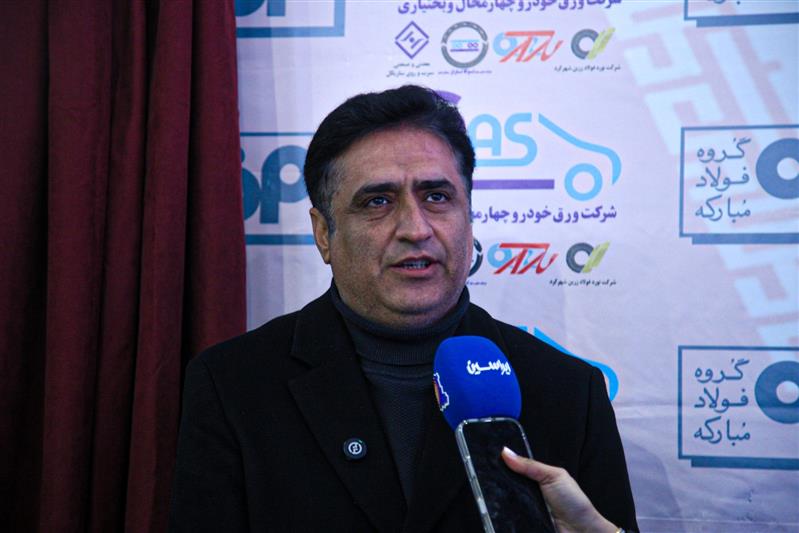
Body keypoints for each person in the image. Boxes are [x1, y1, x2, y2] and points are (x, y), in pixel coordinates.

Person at [170, 85, 638, 532]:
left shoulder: (568, 392)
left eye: (437, 197)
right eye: (378, 201)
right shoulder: (232, 385)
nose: (415, 228)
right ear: (323, 233)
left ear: (469, 215)